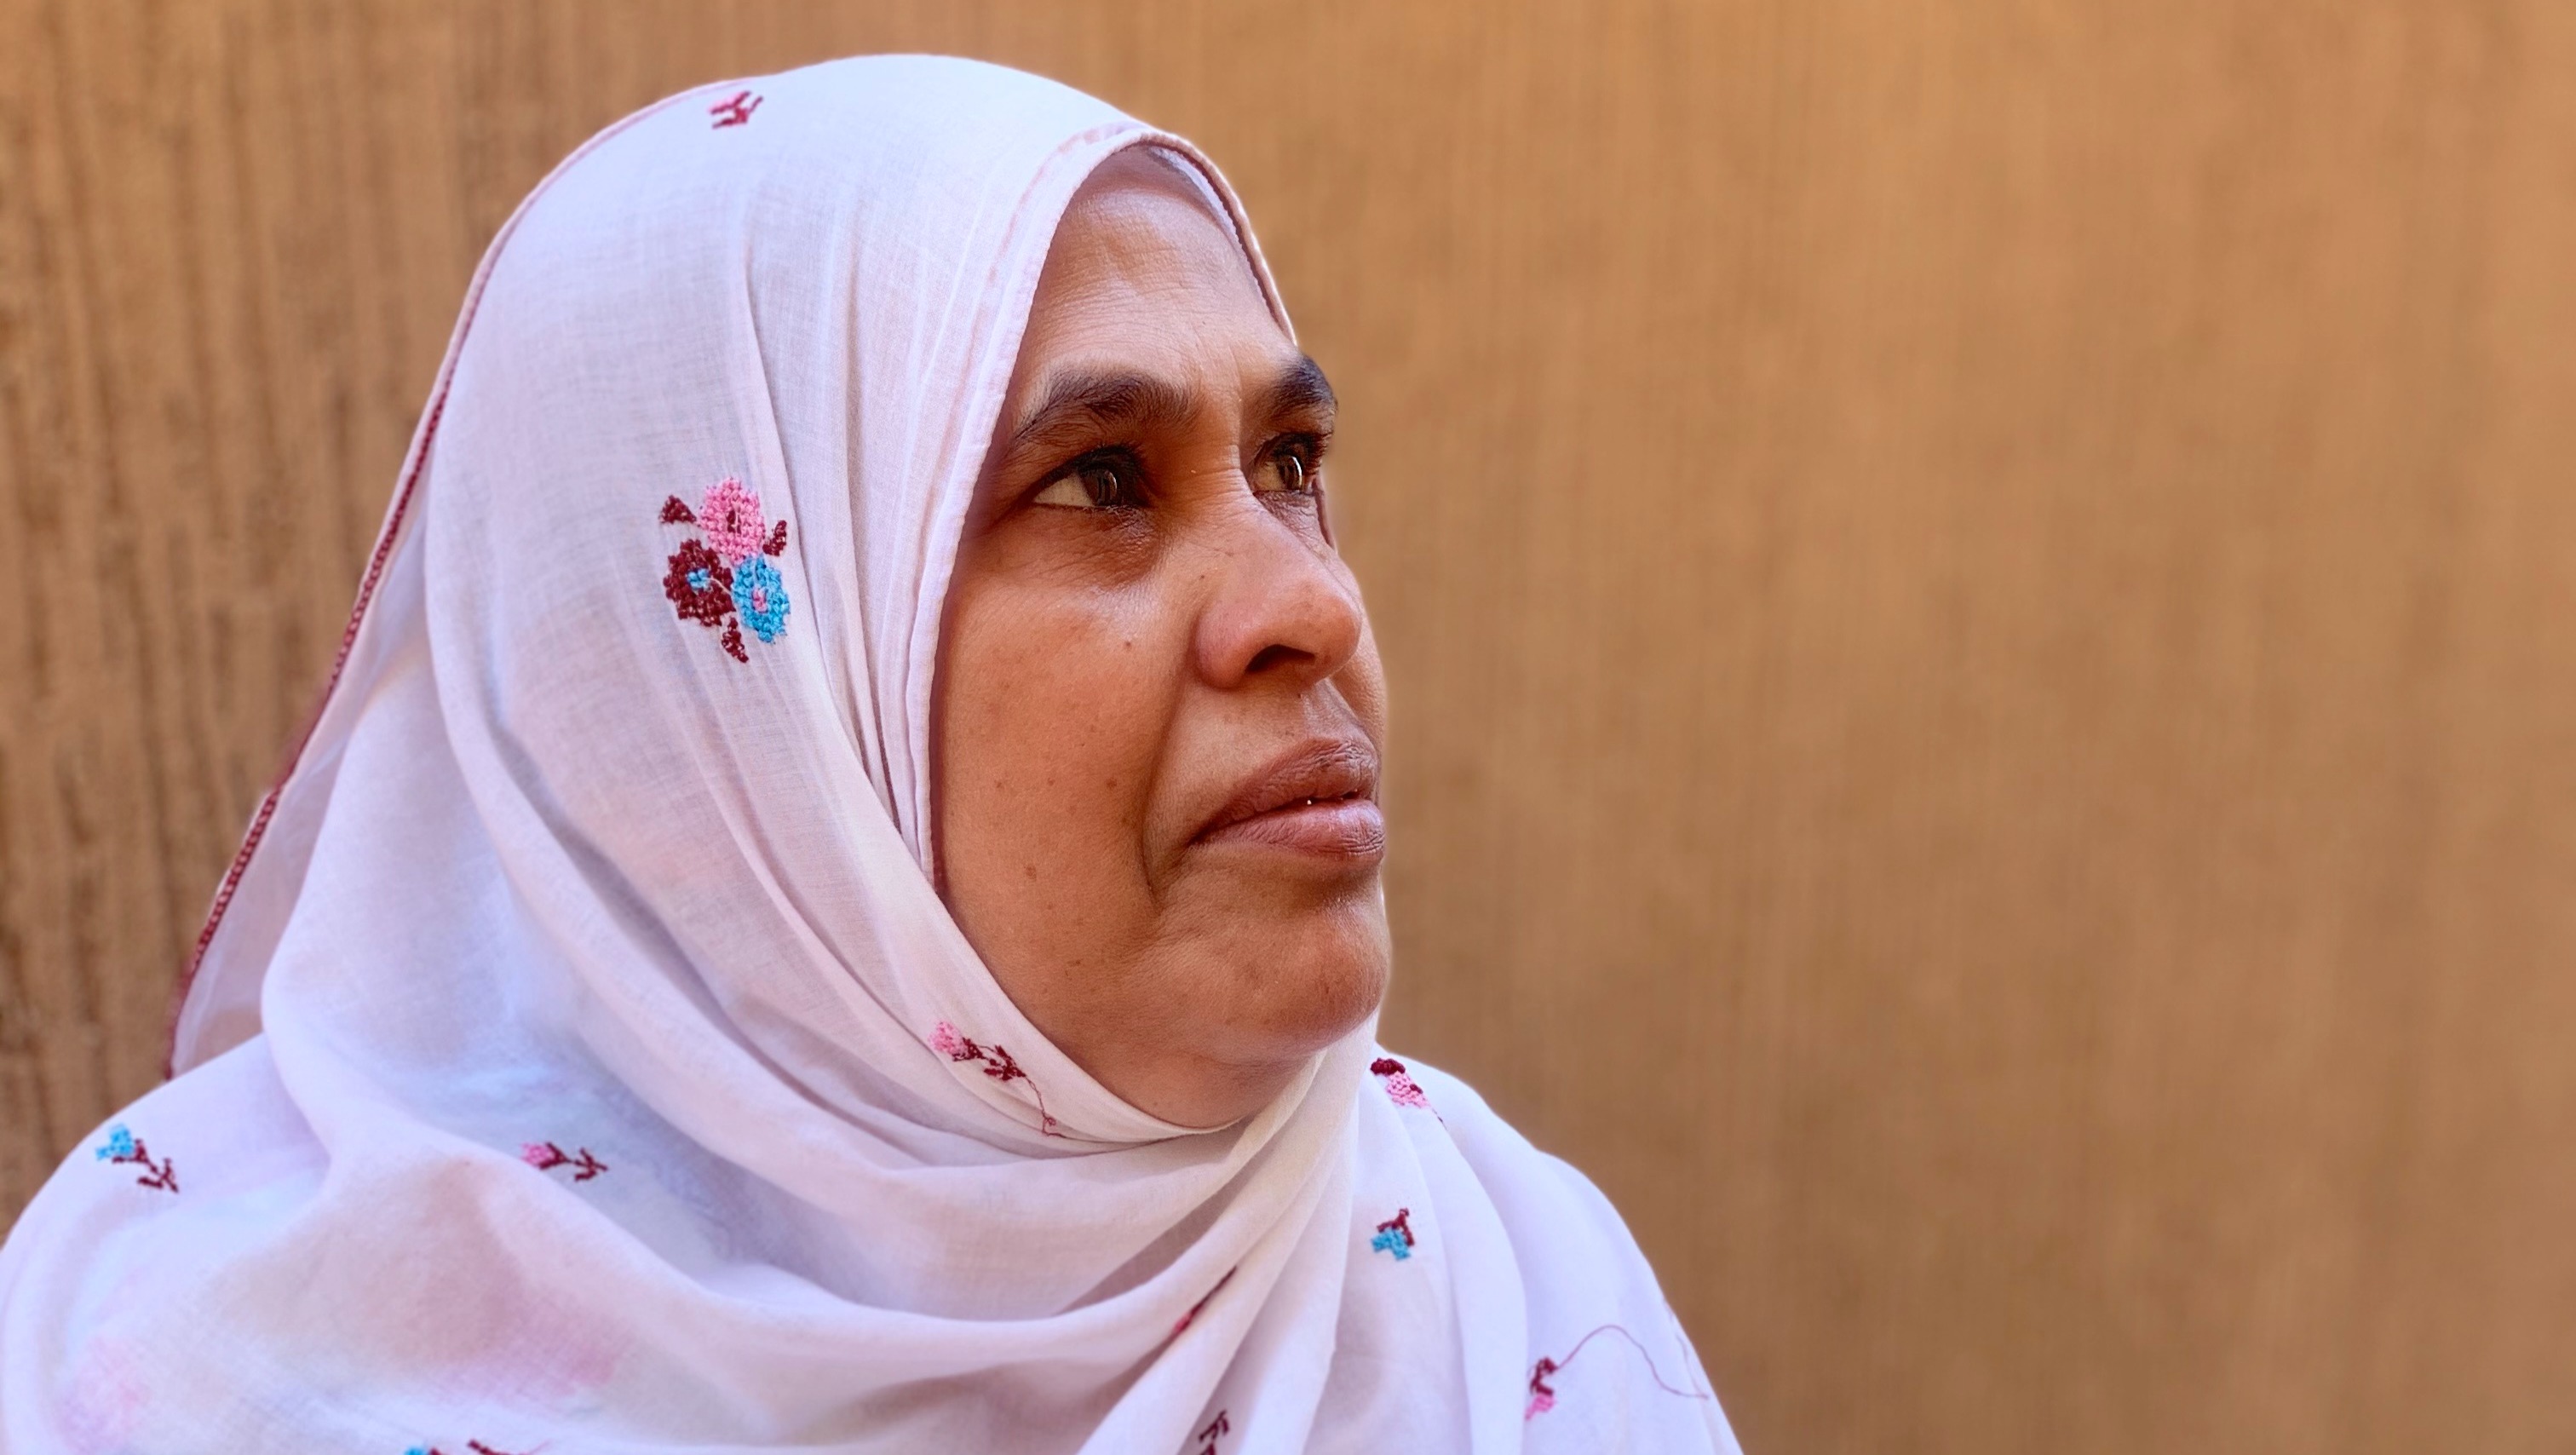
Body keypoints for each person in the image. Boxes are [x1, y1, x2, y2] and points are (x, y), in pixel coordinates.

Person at [0, 56, 1739, 1454]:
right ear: (730, 714)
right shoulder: (206, 1378)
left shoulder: (1490, 1279)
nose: (1314, 603)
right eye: (1101, 481)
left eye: (1290, 464)